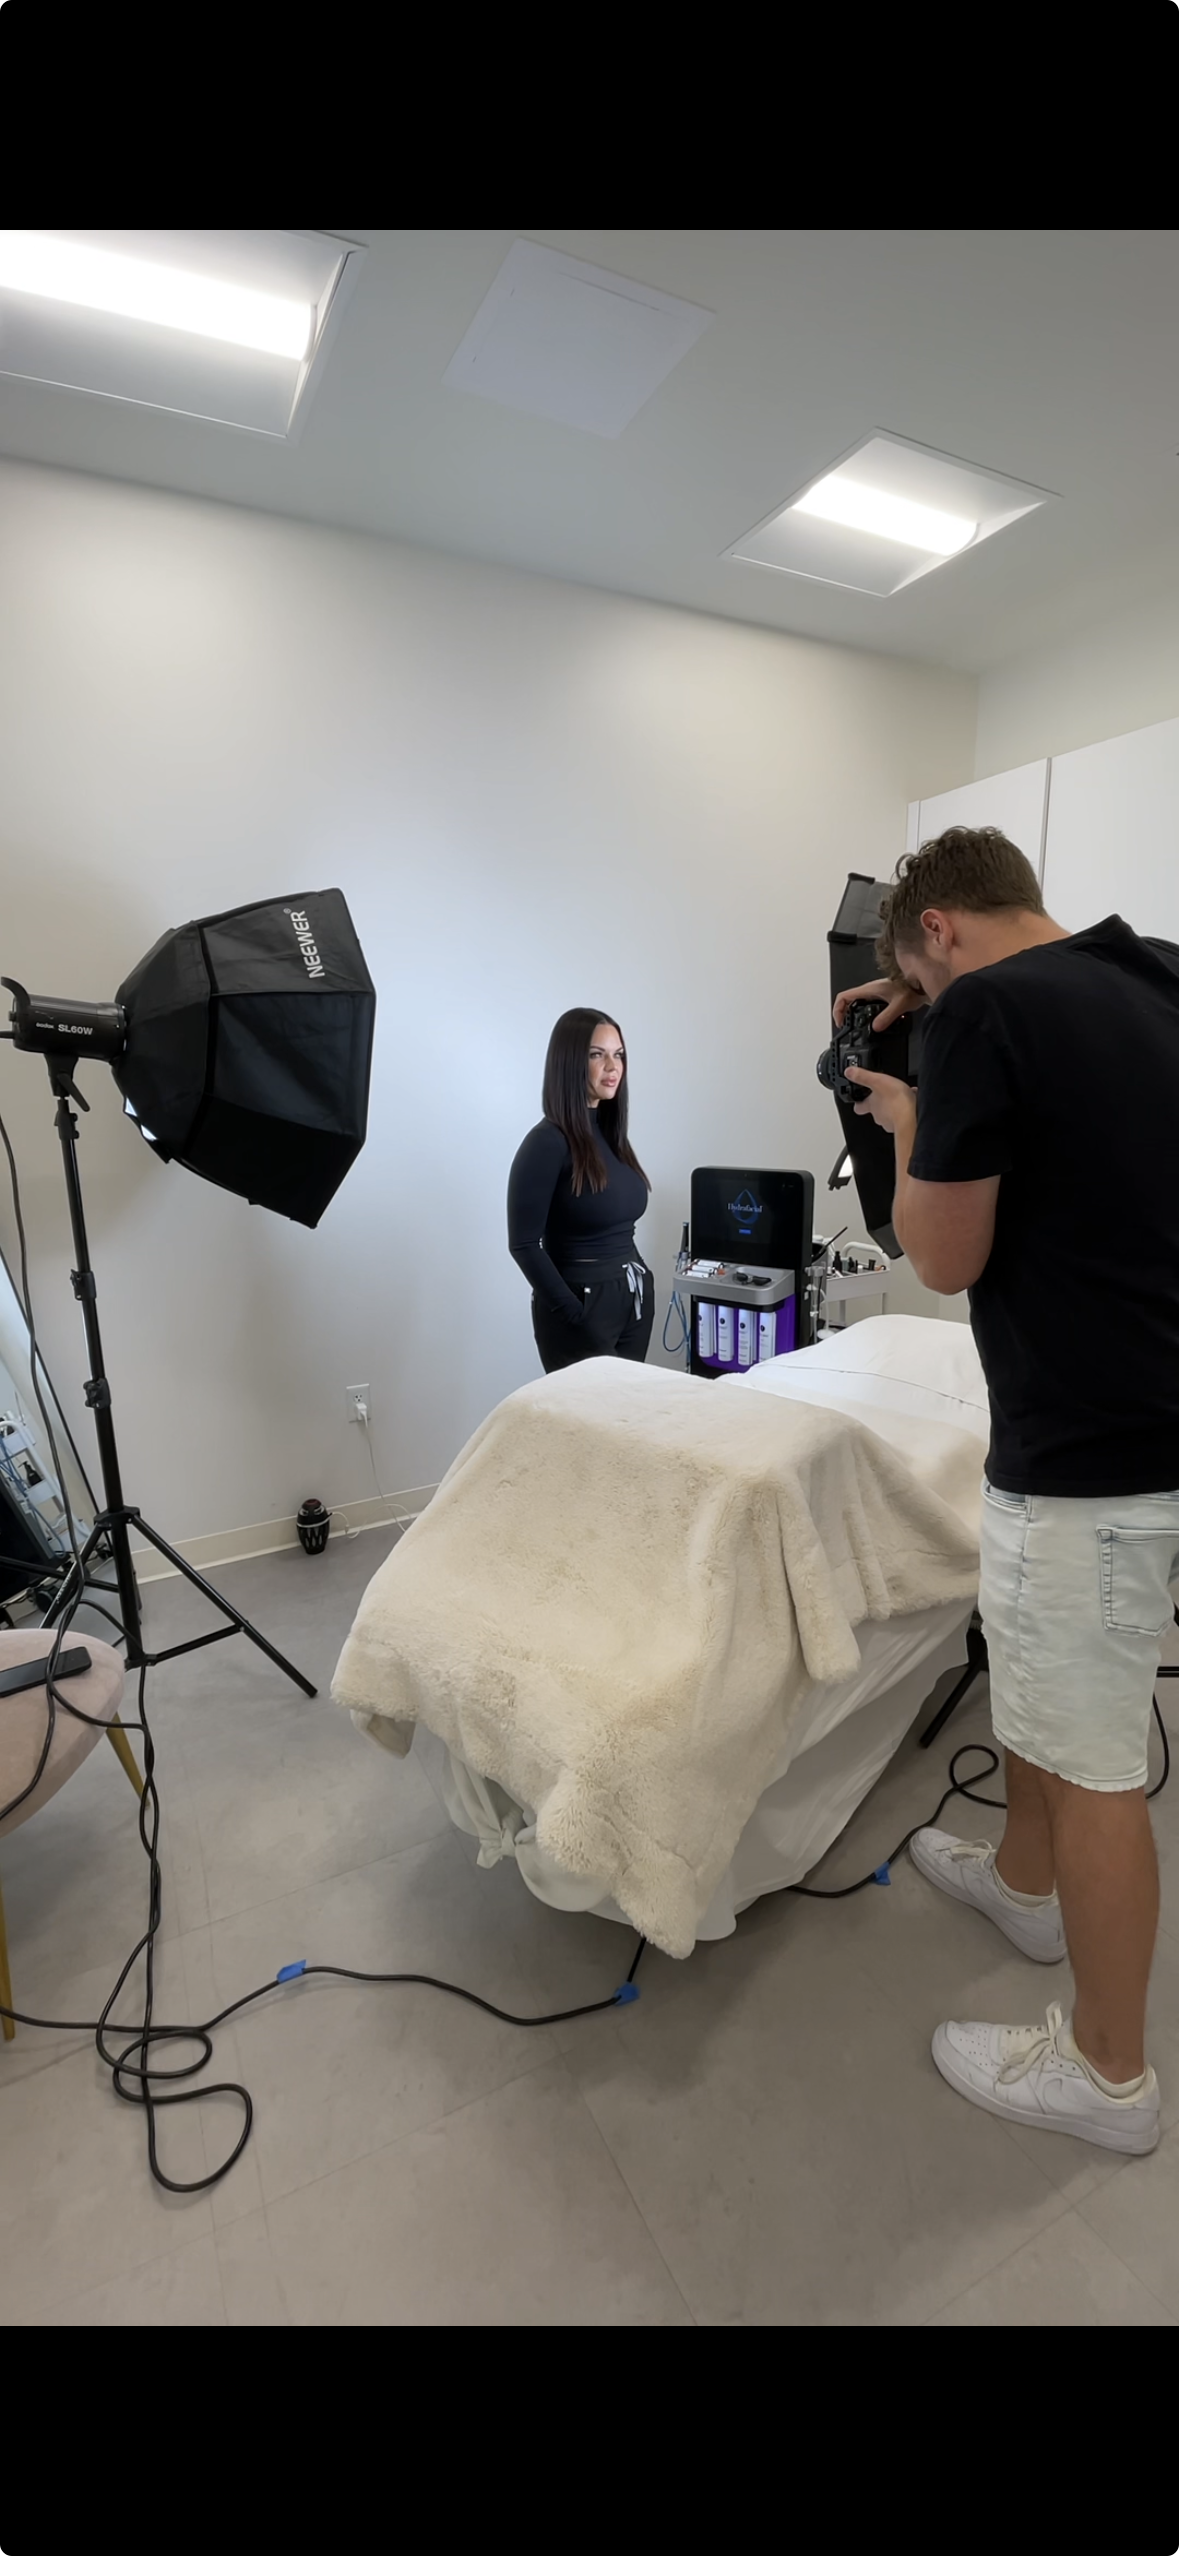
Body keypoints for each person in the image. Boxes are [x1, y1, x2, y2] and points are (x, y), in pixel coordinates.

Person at [837, 824, 1179, 2157]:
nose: (923, 1007)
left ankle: (1107, 2076)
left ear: (936, 928)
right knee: (1035, 1693)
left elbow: (940, 1256)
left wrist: (910, 1116)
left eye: (920, 981)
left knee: (1092, 1762)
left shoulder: (984, 1012)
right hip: (1148, 1424)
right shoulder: (1156, 972)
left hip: (1084, 1458)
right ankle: (1025, 1886)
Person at [508, 1009, 654, 1374]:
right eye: (597, 1055)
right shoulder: (546, 1143)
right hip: (581, 1308)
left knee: (627, 1408)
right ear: (570, 1061)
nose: (613, 1066)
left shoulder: (611, 1135)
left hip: (632, 1300)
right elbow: (523, 1244)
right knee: (589, 1411)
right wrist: (572, 1312)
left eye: (618, 1054)